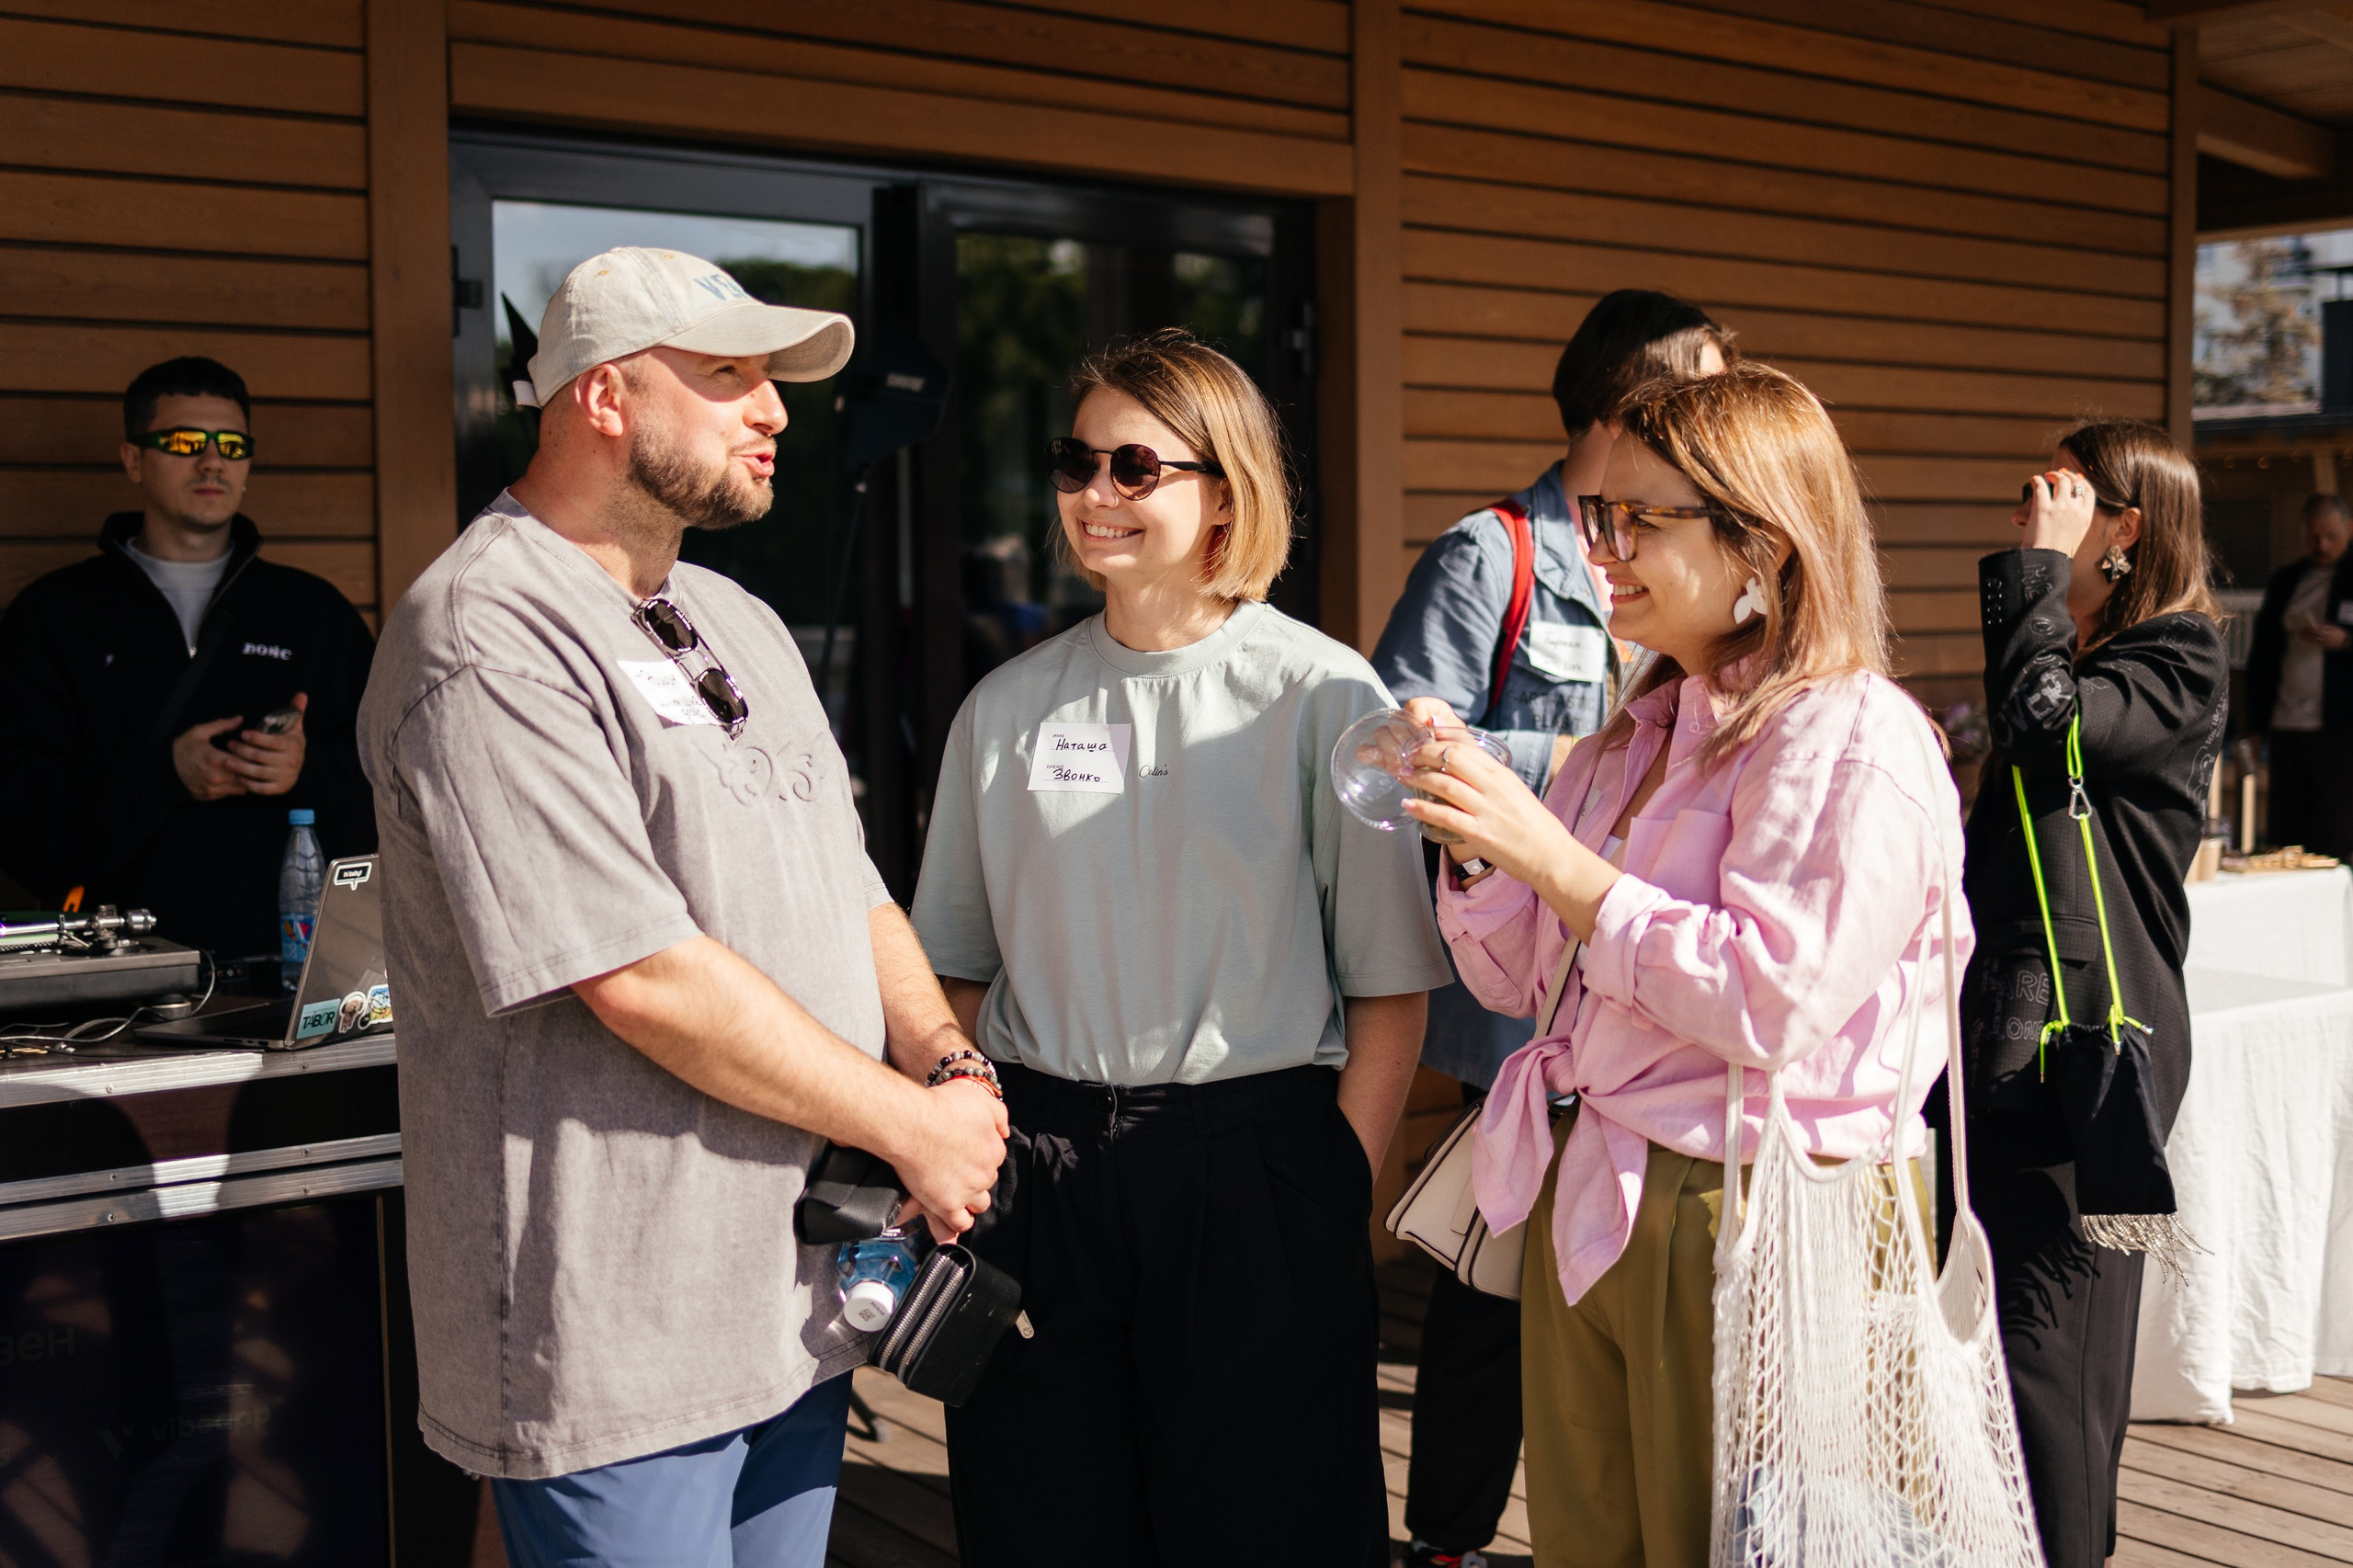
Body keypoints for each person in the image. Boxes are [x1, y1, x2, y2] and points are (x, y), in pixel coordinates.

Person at [358, 248, 1007, 1568]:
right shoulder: (486, 630)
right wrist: (915, 1130)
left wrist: (951, 1065)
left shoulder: (736, 619)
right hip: (616, 1331)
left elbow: (853, 883)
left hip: (786, 1306)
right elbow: (634, 970)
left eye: (772, 380)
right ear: (604, 397)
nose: (773, 409)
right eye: (729, 375)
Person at [1398, 363, 1968, 1567]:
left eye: (1641, 519)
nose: (1602, 546)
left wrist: (1555, 859)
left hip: (1764, 1205)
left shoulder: (1850, 735)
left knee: (1758, 1542)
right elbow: (1523, 983)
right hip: (1595, 1187)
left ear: (1760, 541)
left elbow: (1771, 996)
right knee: (1595, 1539)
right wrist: (1472, 841)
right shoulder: (1637, 732)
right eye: (1603, 514)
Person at [910, 328, 1452, 1566]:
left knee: (1266, 1526)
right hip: (1037, 1165)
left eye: (1134, 466)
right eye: (1075, 461)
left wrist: (1328, 1196)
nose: (1094, 494)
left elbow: (1388, 993)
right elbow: (950, 967)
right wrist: (957, 1128)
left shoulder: (1328, 699)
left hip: (1255, 1168)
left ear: (1226, 492)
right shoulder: (1003, 707)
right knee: (1043, 1521)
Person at [1370, 289, 1731, 1568]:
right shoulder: (1495, 552)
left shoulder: (1702, 555)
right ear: (1635, 406)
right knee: (1490, 1277)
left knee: (1601, 1289)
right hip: (1526, 989)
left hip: (1653, 1003)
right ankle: (1452, 1536)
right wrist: (1575, 765)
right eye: (1701, 390)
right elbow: (1399, 740)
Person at [1955, 419, 2223, 1568]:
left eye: (2063, 495)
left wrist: (2030, 580)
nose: (2032, 510)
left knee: (2049, 1354)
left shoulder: (2179, 657)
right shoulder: (2089, 650)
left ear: (2126, 526)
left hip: (2088, 1050)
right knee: (2010, 1339)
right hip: (2017, 1030)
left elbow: (2044, 721)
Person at [0, 356, 376, 960]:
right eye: (183, 442)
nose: (211, 461)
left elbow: (393, 785)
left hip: (287, 969)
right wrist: (163, 774)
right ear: (133, 461)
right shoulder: (54, 615)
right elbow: (15, 811)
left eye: (231, 444)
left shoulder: (311, 613)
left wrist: (302, 770)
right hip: (110, 979)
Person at [2247, 492, 2353, 857]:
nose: (2321, 545)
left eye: (2331, 536)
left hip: (2339, 728)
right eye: (2313, 536)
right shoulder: (2287, 580)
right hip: (2286, 722)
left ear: (2349, 530)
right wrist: (2254, 726)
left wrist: (2347, 641)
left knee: (2335, 831)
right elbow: (2261, 657)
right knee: (2285, 831)